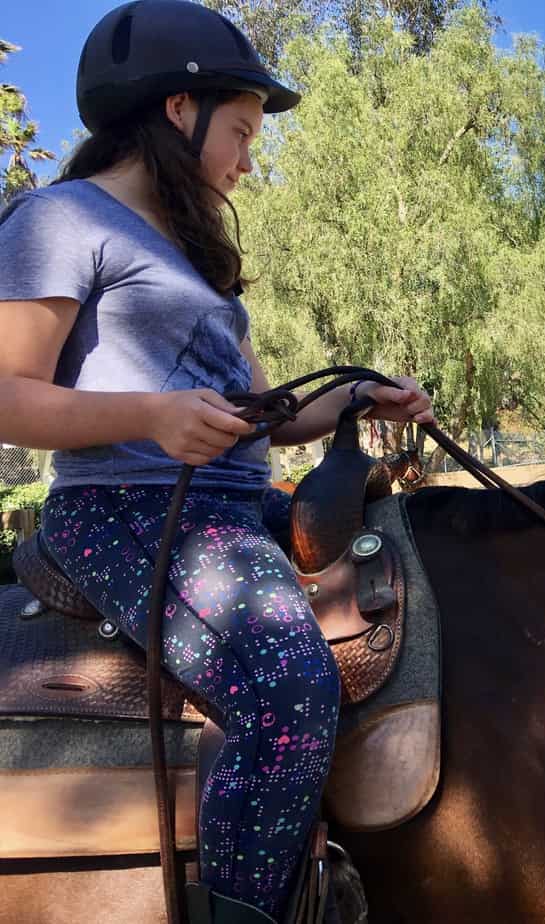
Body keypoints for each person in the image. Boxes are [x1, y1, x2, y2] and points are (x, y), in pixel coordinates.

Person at [0, 3, 434, 921]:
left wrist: (359, 395)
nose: (247, 159)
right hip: (130, 512)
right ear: (177, 109)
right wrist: (151, 417)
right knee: (288, 687)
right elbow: (6, 394)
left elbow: (266, 419)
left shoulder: (193, 260)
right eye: (240, 131)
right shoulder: (60, 219)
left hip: (241, 508)